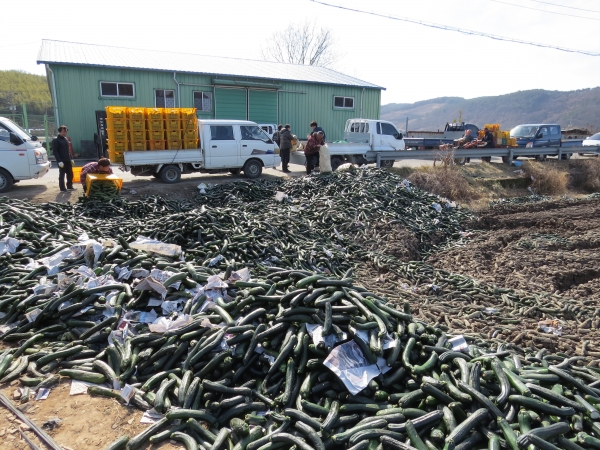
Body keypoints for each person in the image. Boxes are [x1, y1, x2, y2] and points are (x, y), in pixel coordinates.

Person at [51, 125, 76, 191]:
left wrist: (71, 158)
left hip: (67, 159)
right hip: (61, 160)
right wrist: (59, 161)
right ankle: (62, 188)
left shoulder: (65, 139)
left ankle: (69, 186)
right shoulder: (56, 140)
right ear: (59, 132)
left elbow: (68, 150)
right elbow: (55, 151)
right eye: (63, 132)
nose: (65, 133)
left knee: (70, 173)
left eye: (66, 132)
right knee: (62, 174)